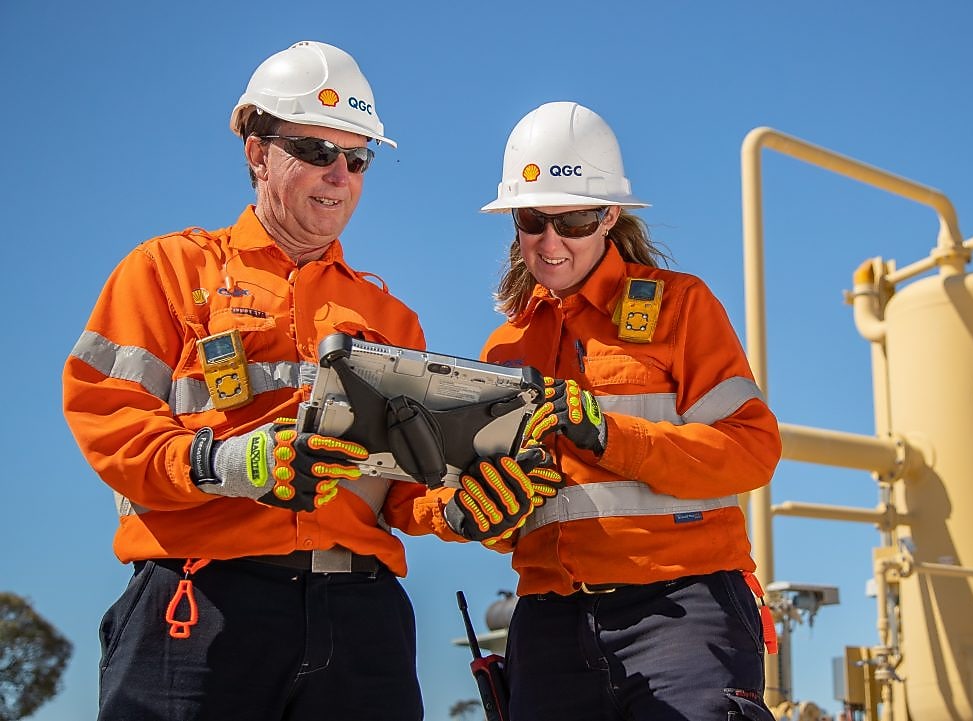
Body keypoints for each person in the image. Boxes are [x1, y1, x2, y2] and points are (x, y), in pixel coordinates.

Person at [62, 41, 554, 721]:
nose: (339, 174)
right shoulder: (167, 273)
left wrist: (462, 508)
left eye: (357, 159)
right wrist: (240, 461)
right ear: (256, 151)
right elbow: (108, 423)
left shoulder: (391, 318)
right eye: (317, 151)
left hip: (361, 622)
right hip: (204, 608)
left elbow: (405, 490)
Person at [478, 101, 784, 721]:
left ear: (611, 216)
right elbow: (509, 517)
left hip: (682, 609)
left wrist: (607, 434)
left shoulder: (681, 308)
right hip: (547, 623)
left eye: (576, 220)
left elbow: (753, 450)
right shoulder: (504, 349)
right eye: (534, 220)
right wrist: (484, 510)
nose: (551, 241)